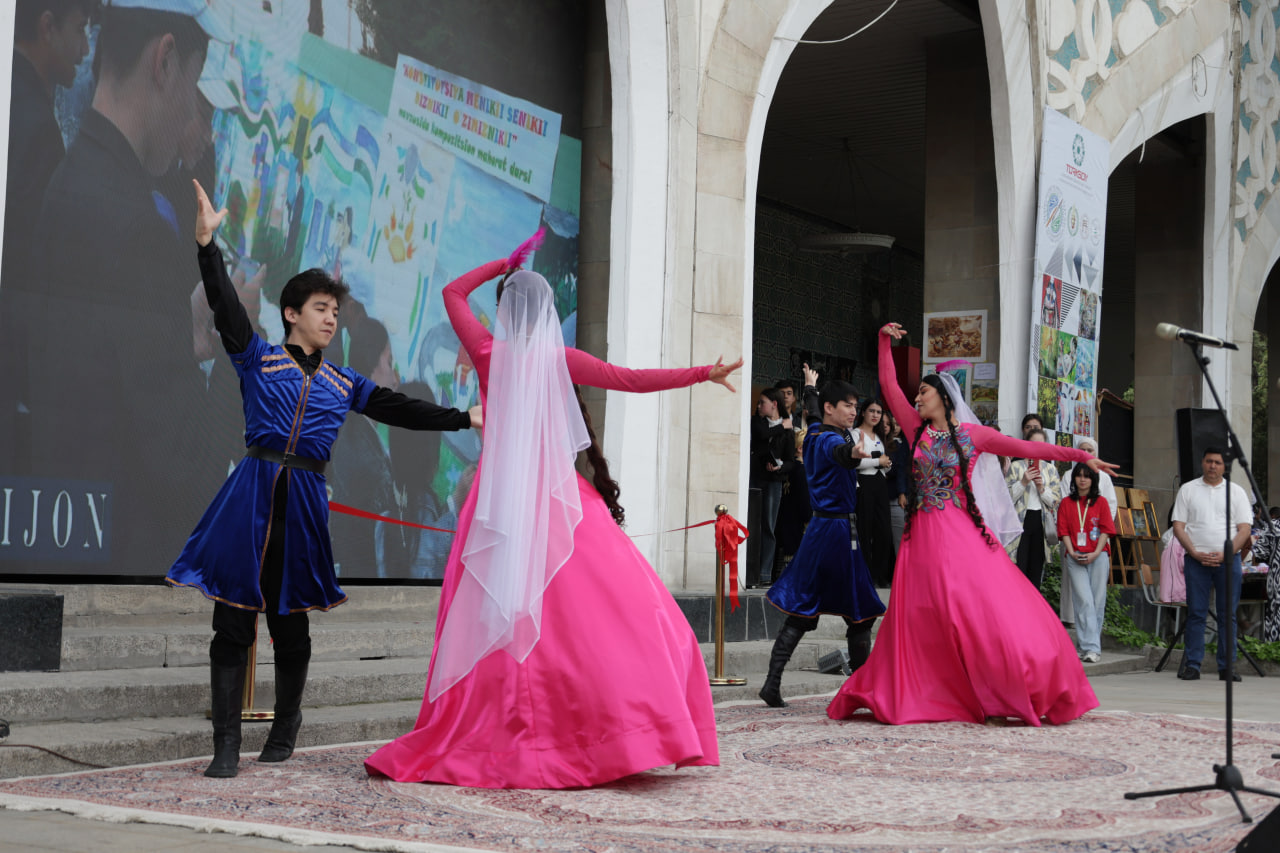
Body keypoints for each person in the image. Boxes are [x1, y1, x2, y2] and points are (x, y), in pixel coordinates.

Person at [364, 235, 742, 789]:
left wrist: (502, 262)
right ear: (547, 314)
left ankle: (502, 728)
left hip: (494, 507)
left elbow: (451, 293)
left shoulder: (488, 352)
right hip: (558, 502)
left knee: (493, 619)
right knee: (603, 616)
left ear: (503, 311)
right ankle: (606, 730)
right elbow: (630, 379)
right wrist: (702, 373)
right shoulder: (559, 358)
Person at [165, 180, 482, 779]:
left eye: (336, 311)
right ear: (291, 313)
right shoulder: (257, 357)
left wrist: (462, 417)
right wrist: (207, 247)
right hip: (250, 496)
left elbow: (400, 409)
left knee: (291, 623)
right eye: (320, 308)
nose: (332, 318)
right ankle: (226, 745)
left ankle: (285, 728)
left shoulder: (344, 383)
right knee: (232, 621)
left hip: (305, 502)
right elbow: (226, 306)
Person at [22, 0, 230, 574]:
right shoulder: (140, 228)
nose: (190, 114)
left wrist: (179, 332)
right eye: (193, 84)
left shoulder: (70, 176)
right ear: (165, 61)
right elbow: (190, 478)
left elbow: (103, 371)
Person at [827, 322, 1111, 726]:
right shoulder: (916, 430)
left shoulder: (974, 436)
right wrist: (883, 341)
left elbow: (1026, 446)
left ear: (943, 397)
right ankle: (928, 690)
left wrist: (1081, 457)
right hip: (920, 539)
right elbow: (889, 386)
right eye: (916, 394)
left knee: (977, 615)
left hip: (960, 536)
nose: (916, 398)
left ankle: (1001, 688)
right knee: (919, 618)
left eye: (923, 392)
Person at [1, 0, 93, 472]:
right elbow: (29, 268)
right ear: (47, 27)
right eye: (80, 29)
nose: (84, 49)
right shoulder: (36, 128)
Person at [760, 365, 885, 708]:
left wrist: (810, 387)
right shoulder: (832, 440)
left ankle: (772, 683)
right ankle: (860, 690)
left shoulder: (815, 431)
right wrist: (852, 454)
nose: (854, 412)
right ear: (832, 408)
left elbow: (813, 415)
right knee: (860, 613)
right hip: (837, 532)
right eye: (847, 405)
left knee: (805, 609)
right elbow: (839, 452)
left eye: (856, 406)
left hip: (821, 530)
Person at [1169, 448, 1253, 682]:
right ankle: (1193, 665)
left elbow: (1245, 529)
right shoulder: (1188, 489)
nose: (1213, 466)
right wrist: (1193, 552)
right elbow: (1178, 526)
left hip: (1228, 561)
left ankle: (1227, 667)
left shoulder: (1236, 492)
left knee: (1228, 615)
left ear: (1224, 466)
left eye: (1217, 462)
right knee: (1196, 613)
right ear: (1202, 463)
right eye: (1209, 461)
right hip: (1197, 561)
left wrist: (1228, 553)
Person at [1056, 463, 1115, 663]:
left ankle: (1087, 647)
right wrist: (1072, 552)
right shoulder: (1066, 502)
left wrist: (1096, 552)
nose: (1082, 479)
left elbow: (1106, 530)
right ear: (1073, 479)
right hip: (1075, 556)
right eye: (1079, 476)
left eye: (1087, 476)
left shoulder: (1101, 502)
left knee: (1097, 602)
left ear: (1093, 480)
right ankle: (1091, 648)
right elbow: (1063, 530)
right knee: (1083, 601)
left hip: (1099, 556)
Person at [1005, 428, 1063, 590]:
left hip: (1041, 523)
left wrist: (1041, 488)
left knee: (1036, 572)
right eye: (1033, 443)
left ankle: (1034, 604)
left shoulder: (1050, 470)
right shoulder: (1015, 467)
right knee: (1018, 569)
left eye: (1041, 444)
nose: (1037, 447)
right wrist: (1023, 482)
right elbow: (1006, 498)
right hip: (1019, 523)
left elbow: (1055, 501)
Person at [750, 388, 794, 586]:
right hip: (755, 479)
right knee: (752, 524)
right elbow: (761, 435)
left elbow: (791, 461)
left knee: (768, 526)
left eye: (763, 402)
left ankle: (765, 574)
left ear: (774, 404)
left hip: (774, 482)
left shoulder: (789, 431)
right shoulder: (757, 422)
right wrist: (782, 426)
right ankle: (749, 570)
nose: (759, 406)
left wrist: (780, 466)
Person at [853, 398, 895, 587]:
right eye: (872, 411)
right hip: (864, 483)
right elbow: (854, 462)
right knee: (864, 529)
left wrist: (886, 463)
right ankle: (865, 575)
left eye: (878, 412)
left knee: (884, 531)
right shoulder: (855, 434)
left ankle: (880, 575)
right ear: (863, 412)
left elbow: (884, 463)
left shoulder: (879, 436)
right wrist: (878, 461)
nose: (875, 415)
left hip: (880, 483)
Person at [884, 410, 911, 550]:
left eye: (897, 424)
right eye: (890, 424)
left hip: (897, 497)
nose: (894, 428)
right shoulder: (879, 441)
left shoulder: (903, 444)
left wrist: (901, 492)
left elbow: (898, 469)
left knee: (900, 540)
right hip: (886, 496)